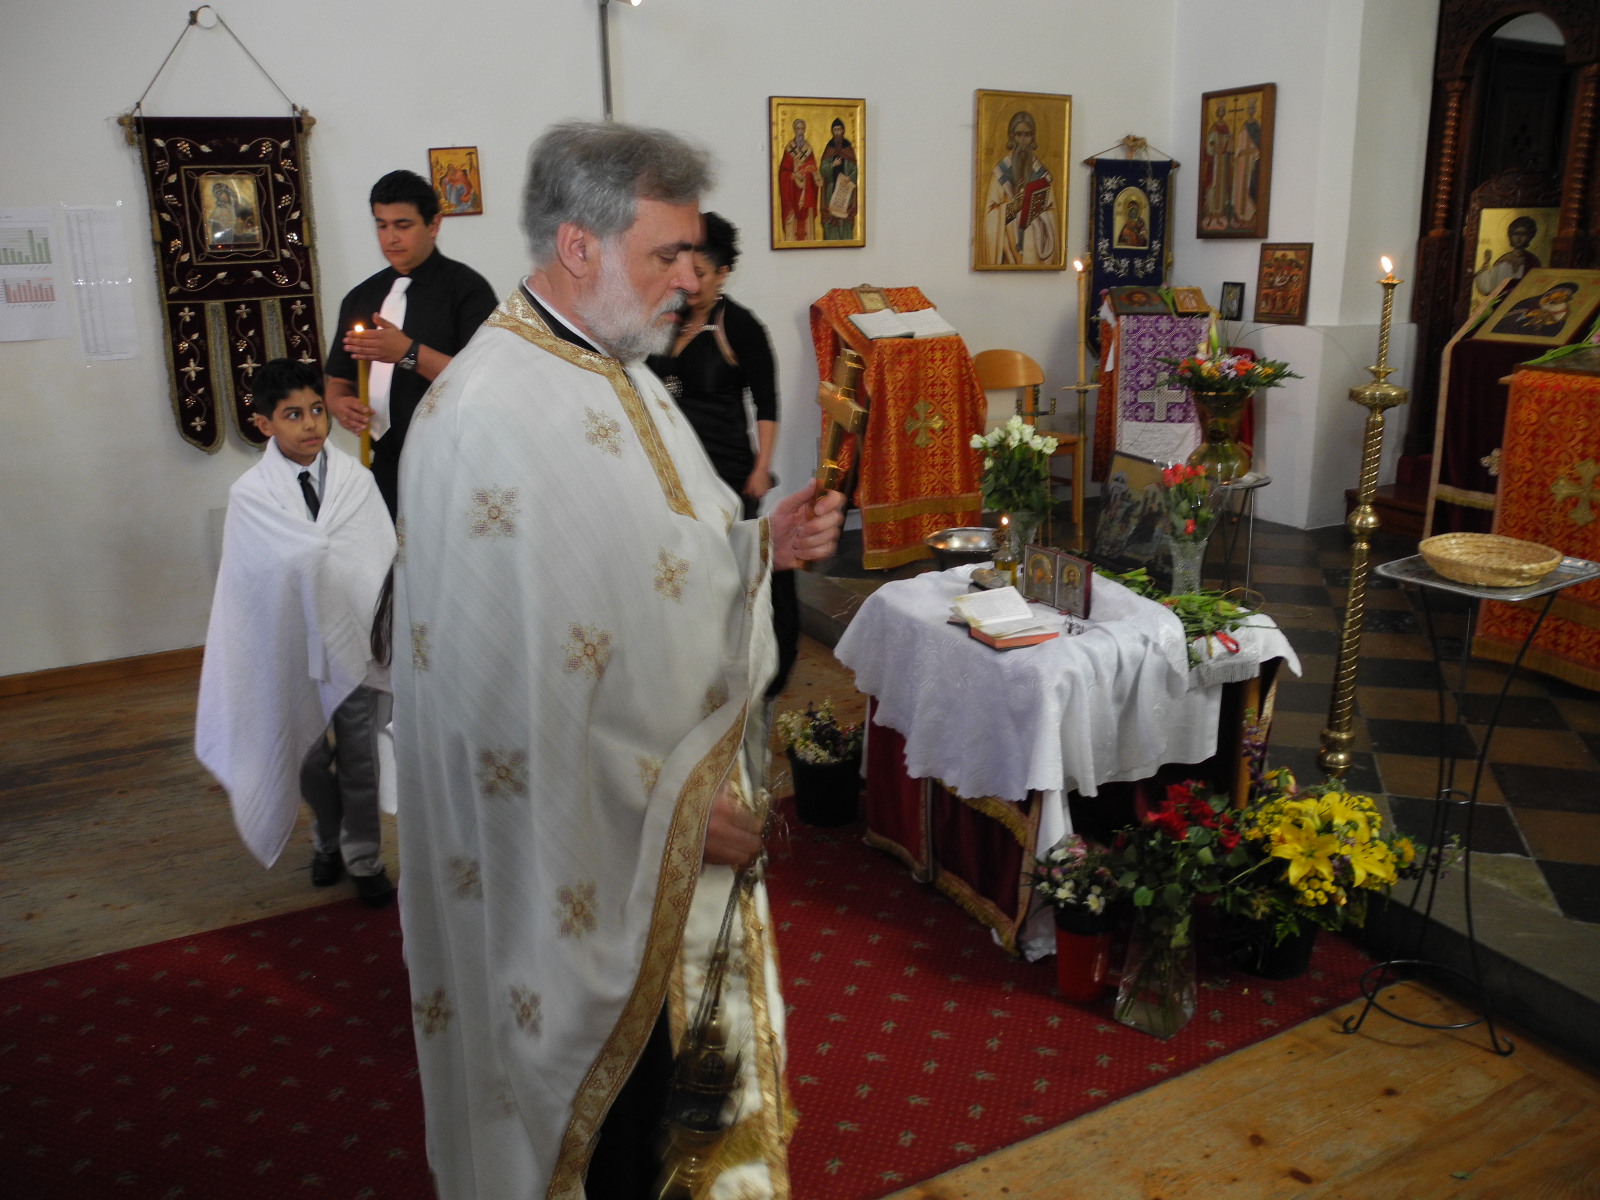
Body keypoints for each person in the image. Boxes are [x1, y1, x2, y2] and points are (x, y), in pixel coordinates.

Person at [391, 120, 844, 1200]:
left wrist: (759, 546)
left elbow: (651, 568)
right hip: (585, 865)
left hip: (661, 816)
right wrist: (673, 821)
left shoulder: (614, 365)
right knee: (609, 1146)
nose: (689, 280)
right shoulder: (490, 413)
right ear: (578, 245)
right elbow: (507, 707)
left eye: (694, 256)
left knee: (665, 1122)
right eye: (667, 255)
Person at [195, 359, 398, 906]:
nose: (310, 424)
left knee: (359, 758)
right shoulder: (251, 495)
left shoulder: (357, 482)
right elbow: (248, 587)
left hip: (353, 642)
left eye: (315, 411)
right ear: (264, 424)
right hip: (289, 647)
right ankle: (326, 836)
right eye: (292, 415)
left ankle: (363, 856)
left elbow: (377, 561)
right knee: (304, 756)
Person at [646, 211, 800, 696]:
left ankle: (760, 667)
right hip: (673, 474)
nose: (688, 284)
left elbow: (767, 404)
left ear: (723, 273)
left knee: (737, 571)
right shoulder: (663, 320)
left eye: (700, 273)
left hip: (728, 472)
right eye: (682, 271)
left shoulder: (741, 326)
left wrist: (762, 467)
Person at [325, 169, 497, 515]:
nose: (391, 238)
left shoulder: (468, 291)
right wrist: (341, 404)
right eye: (381, 225)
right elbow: (338, 379)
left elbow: (485, 382)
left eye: (403, 225)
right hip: (382, 461)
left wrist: (408, 352)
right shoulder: (361, 297)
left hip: (451, 464)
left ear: (434, 225)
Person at [981, 110, 1057, 265]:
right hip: (1008, 250)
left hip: (1036, 248)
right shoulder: (1001, 172)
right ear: (1011, 137)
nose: (1023, 141)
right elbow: (990, 214)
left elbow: (1052, 213)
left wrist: (1036, 212)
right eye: (1019, 135)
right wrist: (1012, 209)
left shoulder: (1041, 173)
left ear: (1033, 138)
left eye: (1027, 135)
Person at [1474, 215, 1542, 298]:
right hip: (1500, 303)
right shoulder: (1503, 259)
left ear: (1529, 237)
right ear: (1511, 236)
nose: (1519, 238)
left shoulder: (1532, 260)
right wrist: (1486, 262)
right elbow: (1488, 288)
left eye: (1523, 234)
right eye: (1516, 234)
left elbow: (1536, 287)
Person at [778, 118, 822, 241]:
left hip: (806, 194)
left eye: (802, 129)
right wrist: (793, 175)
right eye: (798, 129)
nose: (800, 132)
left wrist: (814, 176)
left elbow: (814, 168)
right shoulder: (789, 149)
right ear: (794, 130)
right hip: (792, 193)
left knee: (807, 229)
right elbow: (783, 173)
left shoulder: (809, 149)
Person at [818, 117, 859, 240]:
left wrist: (849, 178)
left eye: (839, 129)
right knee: (831, 216)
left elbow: (856, 169)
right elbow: (823, 168)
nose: (837, 132)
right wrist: (832, 165)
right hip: (831, 190)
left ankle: (846, 241)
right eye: (835, 130)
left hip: (846, 189)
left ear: (843, 130)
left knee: (845, 217)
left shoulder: (848, 147)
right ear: (832, 131)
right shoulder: (829, 147)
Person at [1202, 101, 1232, 232]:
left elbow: (1228, 146)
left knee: (1221, 189)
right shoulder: (1213, 128)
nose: (1221, 113)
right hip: (1214, 164)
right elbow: (1209, 146)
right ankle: (1210, 215)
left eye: (1223, 111)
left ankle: (1219, 215)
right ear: (1217, 112)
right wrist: (1215, 148)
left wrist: (1226, 146)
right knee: (1212, 188)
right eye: (1219, 111)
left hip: (1222, 164)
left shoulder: (1226, 128)